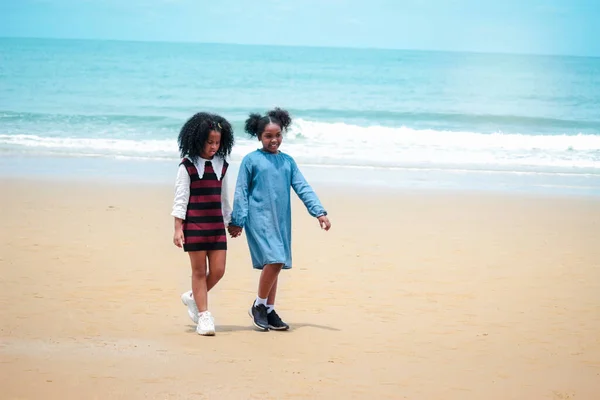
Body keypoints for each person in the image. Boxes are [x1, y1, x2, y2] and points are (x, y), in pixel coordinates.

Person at [228, 107, 331, 331]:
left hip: (281, 219)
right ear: (259, 136)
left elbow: (302, 187)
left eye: (277, 135)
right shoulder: (251, 160)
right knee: (275, 258)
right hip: (258, 218)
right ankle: (259, 305)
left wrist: (319, 212)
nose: (274, 140)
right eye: (268, 136)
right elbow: (241, 191)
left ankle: (269, 309)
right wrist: (238, 220)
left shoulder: (288, 162)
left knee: (277, 263)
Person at [171, 112, 234, 336]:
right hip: (195, 225)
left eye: (217, 142)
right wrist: (178, 228)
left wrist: (230, 221)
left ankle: (192, 297)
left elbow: (224, 198)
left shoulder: (222, 166)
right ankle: (204, 317)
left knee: (218, 271)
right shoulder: (187, 166)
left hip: (216, 226)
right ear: (198, 139)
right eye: (210, 142)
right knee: (199, 272)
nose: (214, 146)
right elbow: (181, 198)